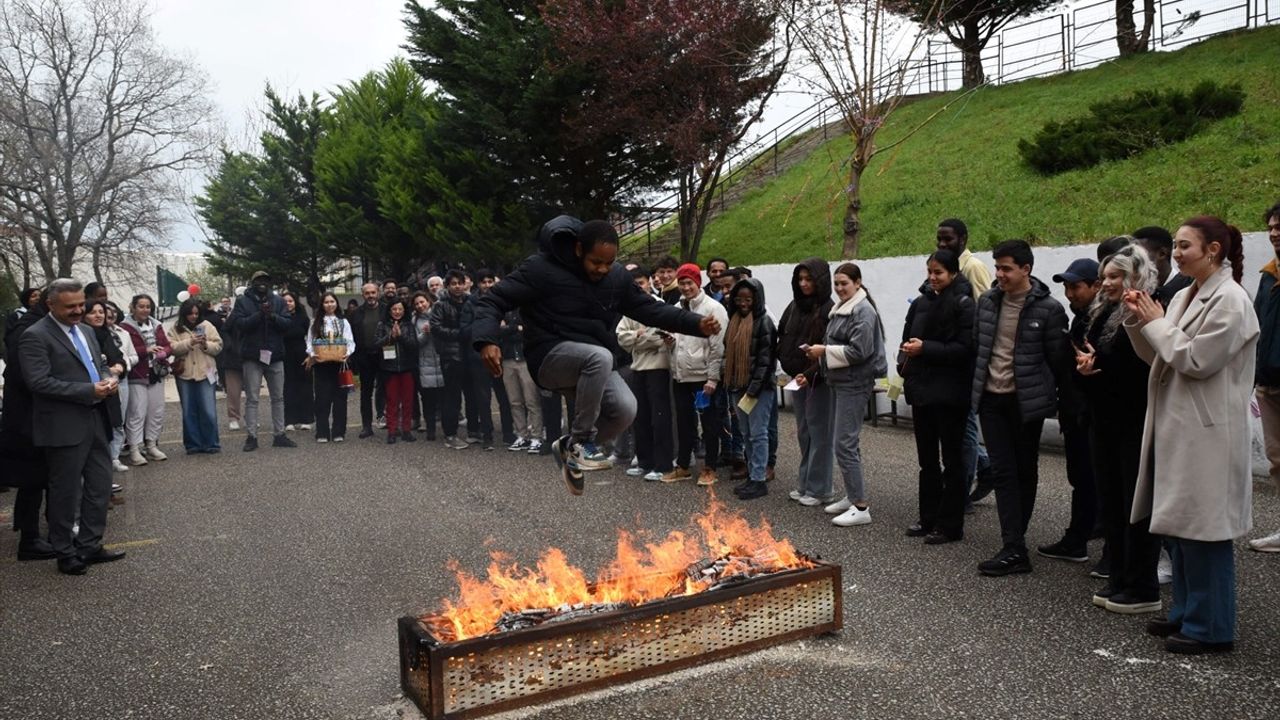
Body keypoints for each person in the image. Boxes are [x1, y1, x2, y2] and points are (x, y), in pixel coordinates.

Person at [471, 217, 717, 495]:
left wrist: (695, 324)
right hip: (549, 356)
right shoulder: (541, 269)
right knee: (600, 357)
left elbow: (652, 310)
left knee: (626, 409)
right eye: (595, 262)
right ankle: (581, 443)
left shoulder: (616, 278)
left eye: (608, 263)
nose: (602, 269)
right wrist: (486, 339)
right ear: (578, 250)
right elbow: (493, 300)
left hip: (593, 362)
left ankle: (568, 448)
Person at [1122, 215, 1257, 654]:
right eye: (1176, 246)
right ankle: (1185, 611)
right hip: (1178, 426)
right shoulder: (1184, 293)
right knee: (1179, 528)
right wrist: (1138, 320)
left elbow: (1197, 360)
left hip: (1207, 432)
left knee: (1204, 531)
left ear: (1213, 250)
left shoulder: (1232, 301)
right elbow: (1158, 356)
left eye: (1184, 246)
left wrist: (1157, 324)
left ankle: (1211, 627)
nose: (1176, 254)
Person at [971, 240, 1071, 576]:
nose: (999, 275)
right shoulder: (987, 302)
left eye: (1006, 269)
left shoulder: (1048, 309)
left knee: (1024, 470)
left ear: (1026, 269)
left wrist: (1058, 404)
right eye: (997, 268)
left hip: (1025, 403)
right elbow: (979, 348)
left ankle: (1016, 540)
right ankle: (1013, 545)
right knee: (1002, 471)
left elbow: (1059, 361)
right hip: (991, 399)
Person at [1075, 245, 1162, 614]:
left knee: (1135, 504)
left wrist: (1099, 369)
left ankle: (1142, 583)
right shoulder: (1101, 311)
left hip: (1135, 421)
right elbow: (1087, 355)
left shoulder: (1145, 313)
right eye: (1105, 276)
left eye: (1116, 276)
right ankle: (1120, 575)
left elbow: (1145, 369)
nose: (1107, 283)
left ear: (1136, 277)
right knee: (1110, 499)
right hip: (1104, 419)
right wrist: (1086, 370)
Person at [19, 279, 125, 575]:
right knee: (65, 492)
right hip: (63, 424)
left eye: (81, 304)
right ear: (51, 305)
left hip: (94, 417)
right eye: (71, 307)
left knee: (100, 486)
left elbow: (98, 365)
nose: (79, 310)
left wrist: (108, 379)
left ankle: (90, 545)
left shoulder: (88, 331)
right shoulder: (35, 336)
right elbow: (38, 382)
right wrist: (89, 390)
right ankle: (65, 551)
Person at [898, 250, 975, 544]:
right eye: (930, 271)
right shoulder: (919, 303)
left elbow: (965, 349)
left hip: (951, 394)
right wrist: (903, 363)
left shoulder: (964, 304)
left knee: (952, 462)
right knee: (926, 461)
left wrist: (925, 348)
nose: (933, 277)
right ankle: (927, 517)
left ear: (953, 273)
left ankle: (950, 524)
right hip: (922, 391)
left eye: (939, 272)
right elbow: (905, 338)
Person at [802, 262, 887, 527]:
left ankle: (861, 506)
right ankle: (853, 496)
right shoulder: (842, 309)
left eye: (844, 284)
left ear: (858, 283)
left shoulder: (862, 311)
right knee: (848, 442)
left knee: (844, 444)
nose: (839, 288)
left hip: (854, 383)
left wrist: (824, 351)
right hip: (840, 381)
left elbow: (859, 352)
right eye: (837, 284)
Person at [1039, 258, 1101, 564]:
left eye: (1076, 286)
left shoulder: (1101, 320)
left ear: (1096, 286)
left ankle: (1101, 549)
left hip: (1092, 415)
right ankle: (1078, 538)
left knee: (1096, 480)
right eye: (1066, 287)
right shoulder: (1079, 319)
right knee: (1081, 478)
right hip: (1074, 412)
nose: (1069, 293)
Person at [935, 218, 995, 505]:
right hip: (948, 359)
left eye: (948, 239)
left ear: (963, 238)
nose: (944, 244)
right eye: (940, 239)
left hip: (967, 357)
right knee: (960, 427)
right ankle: (983, 467)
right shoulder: (945, 267)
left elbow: (985, 309)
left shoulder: (973, 267)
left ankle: (962, 491)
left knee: (967, 427)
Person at [776, 258, 835, 506]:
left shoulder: (828, 309)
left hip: (818, 381)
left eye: (809, 279)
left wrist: (810, 374)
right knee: (804, 432)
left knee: (820, 433)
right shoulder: (794, 306)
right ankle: (806, 483)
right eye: (800, 279)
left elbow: (829, 349)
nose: (803, 284)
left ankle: (820, 488)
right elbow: (783, 333)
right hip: (797, 379)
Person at [666, 262, 730, 487]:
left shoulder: (714, 309)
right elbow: (677, 338)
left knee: (710, 423)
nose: (685, 287)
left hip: (703, 377)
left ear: (698, 283)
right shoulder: (676, 307)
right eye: (681, 283)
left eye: (689, 283)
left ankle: (710, 467)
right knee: (684, 422)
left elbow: (717, 347)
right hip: (681, 374)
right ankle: (683, 465)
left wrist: (713, 378)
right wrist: (670, 342)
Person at [1, 288, 53, 561]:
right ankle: (30, 539)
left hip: (30, 417)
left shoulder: (35, 324)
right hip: (27, 420)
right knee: (32, 479)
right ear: (50, 304)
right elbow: (31, 378)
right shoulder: (30, 332)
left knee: (33, 481)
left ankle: (31, 532)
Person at [616, 266, 674, 482]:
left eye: (641, 283)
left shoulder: (658, 306)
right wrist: (640, 337)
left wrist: (637, 339)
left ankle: (663, 464)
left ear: (649, 282)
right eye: (634, 285)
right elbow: (621, 338)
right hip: (637, 367)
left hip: (658, 367)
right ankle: (644, 462)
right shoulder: (629, 309)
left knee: (660, 418)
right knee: (640, 417)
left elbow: (661, 336)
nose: (638, 287)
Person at [227, 270, 296, 451]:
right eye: (258, 280)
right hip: (252, 355)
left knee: (278, 397)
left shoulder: (279, 301)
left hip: (275, 355)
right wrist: (259, 315)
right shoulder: (243, 302)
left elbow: (288, 324)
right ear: (252, 283)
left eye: (265, 280)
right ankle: (252, 437)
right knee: (252, 398)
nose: (262, 283)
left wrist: (272, 316)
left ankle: (280, 434)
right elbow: (239, 325)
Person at [724, 278, 777, 500]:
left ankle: (758, 480)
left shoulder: (764, 322)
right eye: (739, 299)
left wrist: (753, 390)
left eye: (748, 299)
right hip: (737, 384)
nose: (743, 303)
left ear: (756, 299)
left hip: (758, 388)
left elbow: (766, 361)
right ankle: (752, 474)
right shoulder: (734, 321)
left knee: (758, 433)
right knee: (745, 433)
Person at [1249, 201, 1280, 553]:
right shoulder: (1268, 275)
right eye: (1271, 228)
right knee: (1277, 459)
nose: (1274, 234)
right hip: (1269, 382)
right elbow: (1255, 327)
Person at [120, 293, 172, 465]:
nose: (144, 310)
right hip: (137, 374)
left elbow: (166, 344)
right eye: (141, 306)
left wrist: (164, 352)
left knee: (156, 411)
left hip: (156, 372)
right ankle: (134, 448)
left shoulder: (156, 325)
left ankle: (151, 444)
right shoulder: (125, 328)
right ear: (133, 307)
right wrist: (146, 350)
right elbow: (126, 350)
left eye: (148, 306)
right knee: (137, 412)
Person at [168, 298, 224, 454]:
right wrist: (189, 343)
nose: (193, 316)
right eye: (190, 314)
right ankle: (193, 444)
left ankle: (212, 443)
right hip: (184, 374)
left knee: (208, 409)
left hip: (206, 372)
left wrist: (206, 344)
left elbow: (219, 345)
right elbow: (171, 348)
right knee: (188, 410)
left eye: (196, 313)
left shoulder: (207, 326)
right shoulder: (175, 329)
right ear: (184, 314)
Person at [430, 270, 474, 450]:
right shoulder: (440, 305)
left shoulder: (471, 301)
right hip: (451, 355)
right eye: (453, 283)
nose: (457, 286)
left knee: (472, 394)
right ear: (447, 286)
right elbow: (436, 327)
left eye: (460, 283)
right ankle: (450, 433)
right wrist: (459, 334)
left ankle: (475, 430)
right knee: (452, 397)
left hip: (470, 354)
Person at [307, 291, 354, 443]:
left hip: (339, 364)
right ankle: (322, 432)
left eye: (332, 302)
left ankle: (339, 431)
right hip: (321, 365)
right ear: (322, 305)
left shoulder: (343, 321)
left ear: (336, 303)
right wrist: (313, 354)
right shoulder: (316, 322)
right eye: (326, 302)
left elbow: (350, 340)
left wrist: (347, 353)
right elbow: (309, 341)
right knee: (322, 399)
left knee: (340, 398)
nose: (329, 305)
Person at [499, 305, 544, 453]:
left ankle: (536, 436)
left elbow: (529, 331)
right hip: (508, 358)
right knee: (514, 401)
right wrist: (515, 328)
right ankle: (521, 434)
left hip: (526, 359)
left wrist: (509, 329)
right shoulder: (503, 310)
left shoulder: (528, 309)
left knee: (532, 400)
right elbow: (497, 332)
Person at [375, 298, 417, 444]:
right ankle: (392, 431)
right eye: (394, 309)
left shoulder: (409, 325)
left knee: (407, 401)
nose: (397, 312)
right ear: (389, 311)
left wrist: (401, 336)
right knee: (392, 401)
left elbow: (413, 344)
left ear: (404, 310)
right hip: (389, 368)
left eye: (400, 309)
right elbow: (377, 343)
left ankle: (406, 430)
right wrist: (390, 337)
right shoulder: (382, 324)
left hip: (407, 367)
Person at [103, 302, 138, 473]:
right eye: (107, 314)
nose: (110, 317)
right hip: (102, 380)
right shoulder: (94, 334)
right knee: (105, 421)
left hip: (121, 378)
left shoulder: (123, 333)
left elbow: (133, 356)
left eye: (113, 314)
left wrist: (124, 365)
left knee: (119, 420)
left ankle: (114, 456)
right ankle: (104, 458)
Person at [349, 283, 385, 439]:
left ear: (378, 293)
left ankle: (388, 421)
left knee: (386, 389)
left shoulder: (386, 310)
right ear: (363, 295)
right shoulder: (356, 313)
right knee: (366, 392)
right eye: (367, 293)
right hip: (365, 357)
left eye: (373, 292)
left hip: (384, 355)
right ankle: (366, 426)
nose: (370, 295)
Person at [410, 292, 443, 442]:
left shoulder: (439, 314)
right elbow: (415, 343)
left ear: (428, 301)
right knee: (428, 400)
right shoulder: (414, 320)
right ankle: (430, 430)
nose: (420, 305)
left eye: (422, 302)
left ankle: (449, 429)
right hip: (425, 364)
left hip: (441, 360)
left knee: (445, 399)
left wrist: (435, 329)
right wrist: (425, 333)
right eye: (416, 304)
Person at [281, 291, 315, 431]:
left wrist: (310, 355)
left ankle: (306, 419)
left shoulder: (303, 318)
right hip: (285, 355)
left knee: (305, 386)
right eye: (285, 301)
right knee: (289, 387)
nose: (288, 303)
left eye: (290, 301)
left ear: (295, 302)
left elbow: (310, 337)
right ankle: (290, 420)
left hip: (302, 355)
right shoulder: (278, 318)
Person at [1134, 226, 1191, 308]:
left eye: (1140, 255)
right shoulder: (1137, 290)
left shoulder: (1185, 291)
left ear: (1162, 254)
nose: (1133, 261)